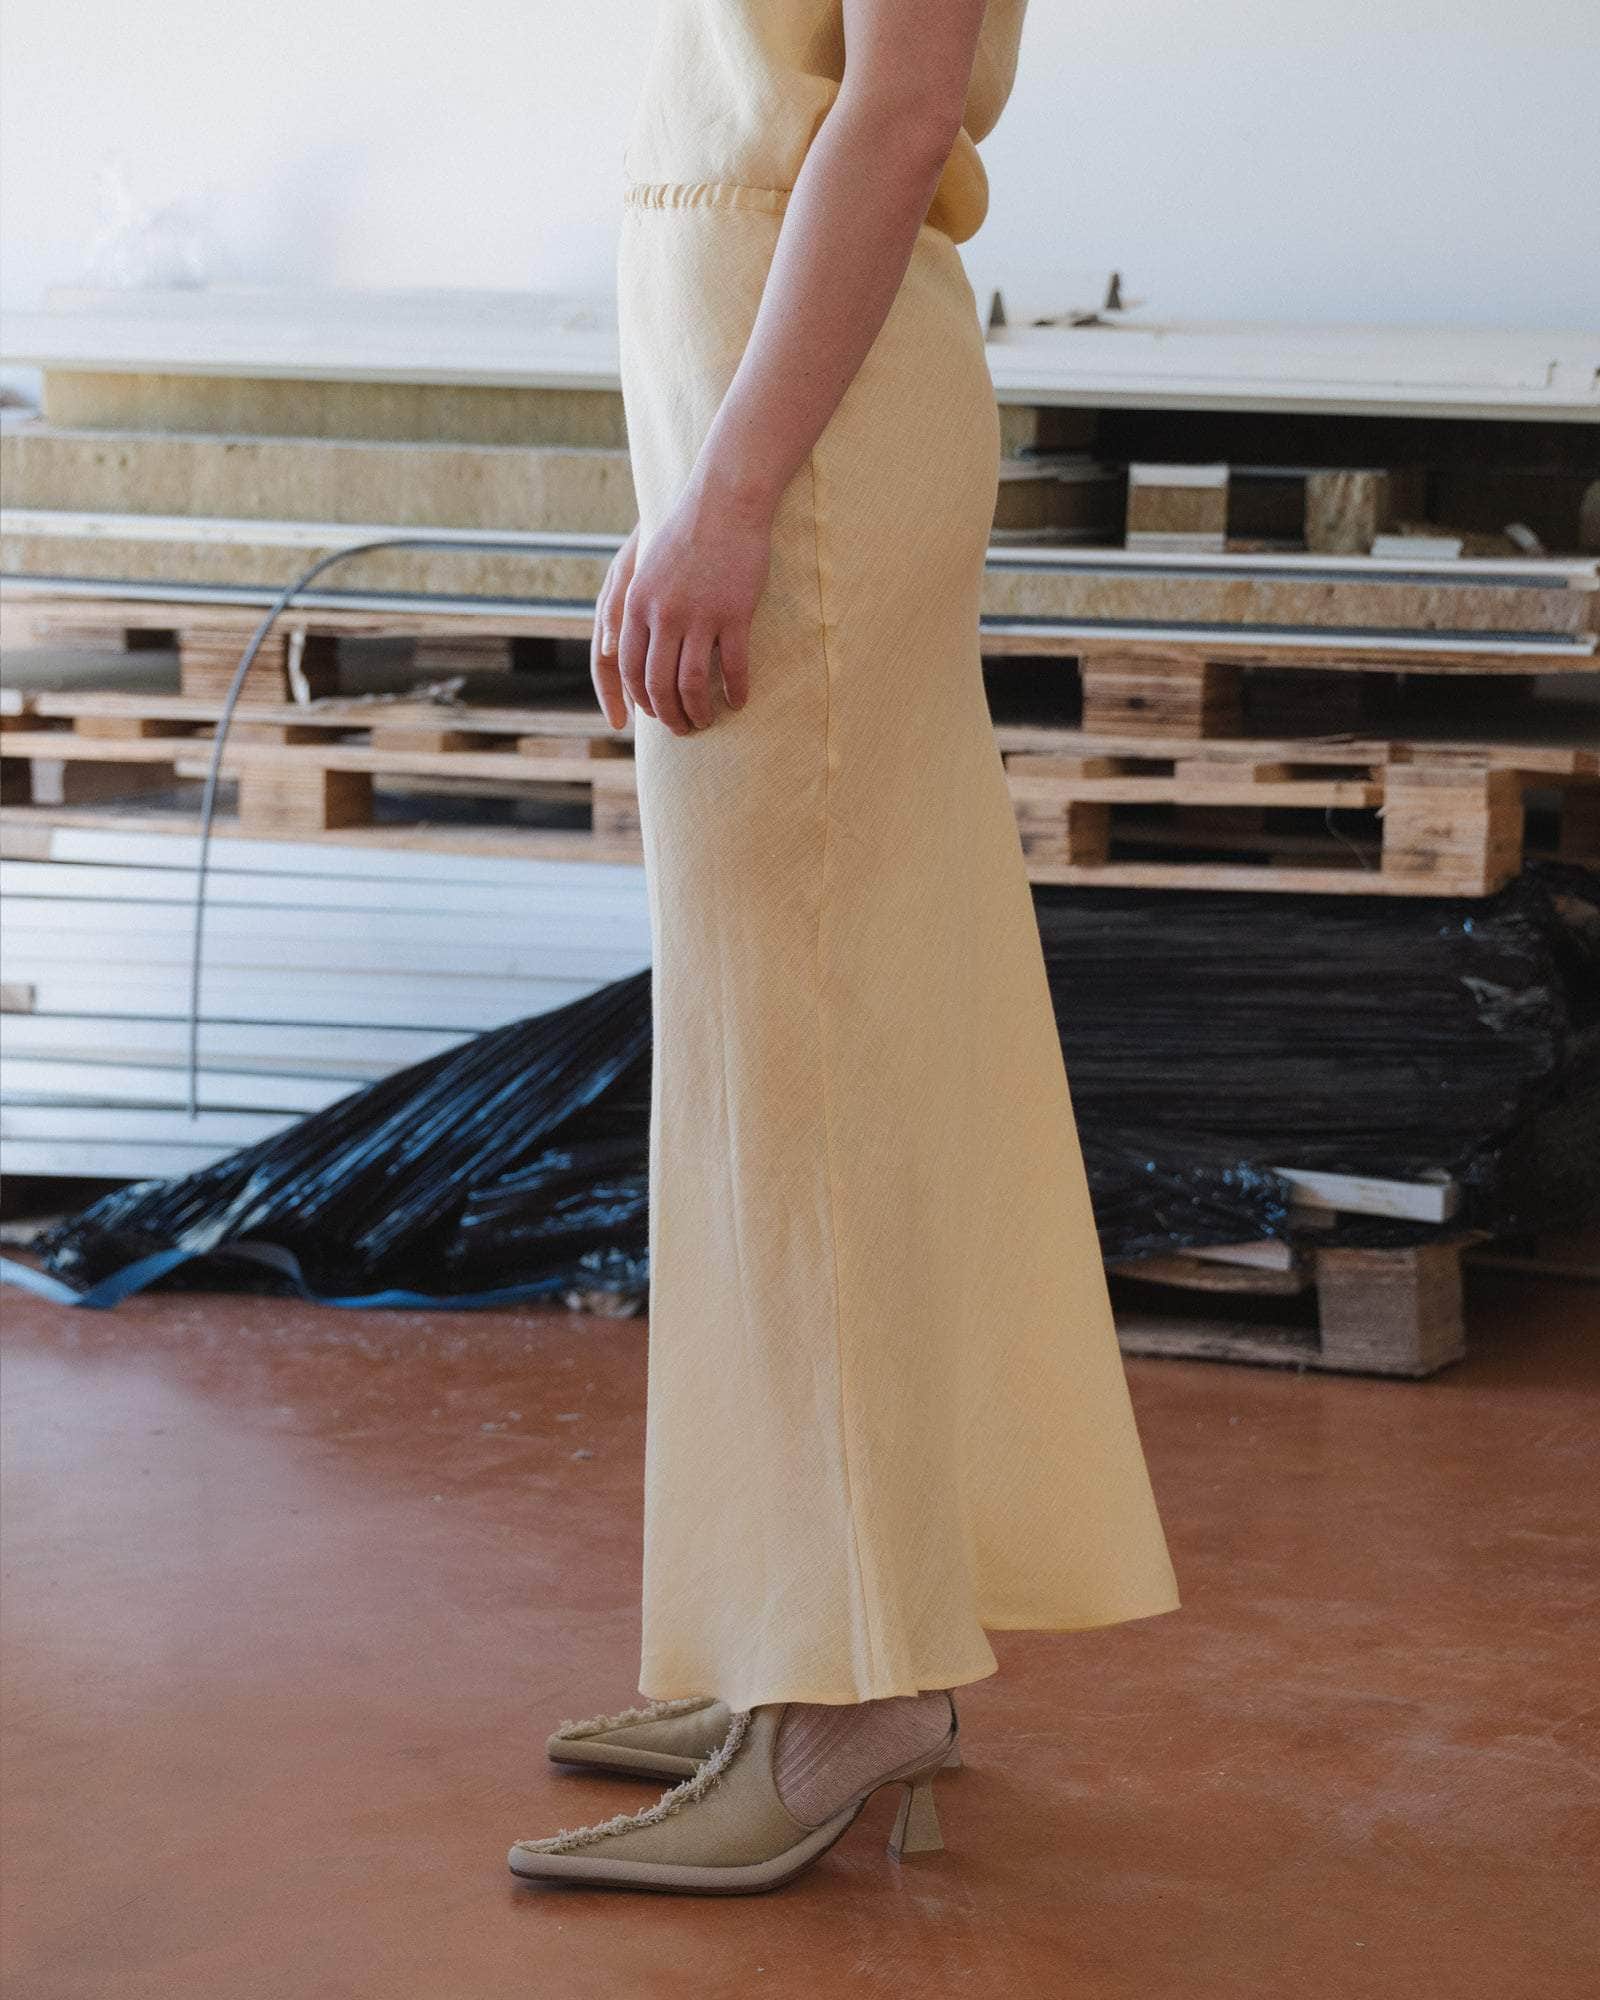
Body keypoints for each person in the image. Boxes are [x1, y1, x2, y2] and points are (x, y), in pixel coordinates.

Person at [508, 0, 1179, 1895]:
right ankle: (804, 1638)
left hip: (798, 457)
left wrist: (730, 496)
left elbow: (892, 117)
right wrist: (694, 478)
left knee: (803, 1083)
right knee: (782, 1072)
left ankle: (849, 1691)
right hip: (752, 417)